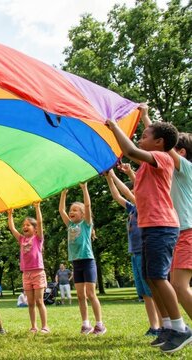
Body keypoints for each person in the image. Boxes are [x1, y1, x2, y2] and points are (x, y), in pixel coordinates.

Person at [107, 105, 191, 353]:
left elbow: (131, 149)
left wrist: (114, 126)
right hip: (150, 226)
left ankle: (180, 327)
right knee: (150, 276)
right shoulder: (148, 165)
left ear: (160, 142)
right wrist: (145, 121)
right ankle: (166, 326)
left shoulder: (163, 158)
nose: (141, 138)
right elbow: (147, 143)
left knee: (158, 276)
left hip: (162, 225)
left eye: (145, 135)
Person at [104, 169, 161, 335]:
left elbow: (127, 193)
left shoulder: (145, 205)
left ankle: (163, 325)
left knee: (153, 291)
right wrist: (109, 178)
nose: (134, 191)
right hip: (135, 254)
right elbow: (117, 196)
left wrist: (114, 175)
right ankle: (154, 326)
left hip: (145, 252)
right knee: (145, 294)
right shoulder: (131, 209)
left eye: (136, 189)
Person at [59, 183, 106, 335]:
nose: (71, 212)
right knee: (80, 295)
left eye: (74, 210)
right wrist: (63, 194)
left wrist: (84, 188)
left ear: (83, 214)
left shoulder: (86, 225)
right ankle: (86, 324)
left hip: (88, 262)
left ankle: (100, 325)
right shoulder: (69, 225)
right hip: (76, 263)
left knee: (91, 294)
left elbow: (87, 204)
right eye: (71, 210)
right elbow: (61, 210)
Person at [7, 203, 49, 333]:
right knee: (30, 303)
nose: (24, 227)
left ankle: (45, 326)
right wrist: (10, 215)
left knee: (39, 301)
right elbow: (12, 228)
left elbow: (40, 223)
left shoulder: (38, 238)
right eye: (23, 225)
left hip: (38, 273)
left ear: (35, 229)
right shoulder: (21, 240)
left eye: (28, 225)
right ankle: (33, 326)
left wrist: (37, 208)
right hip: (26, 274)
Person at [169, 132, 192, 322]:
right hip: (179, 233)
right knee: (176, 285)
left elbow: (165, 145)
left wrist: (145, 117)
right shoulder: (173, 176)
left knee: (179, 285)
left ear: (181, 152)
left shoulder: (185, 167)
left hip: (188, 232)